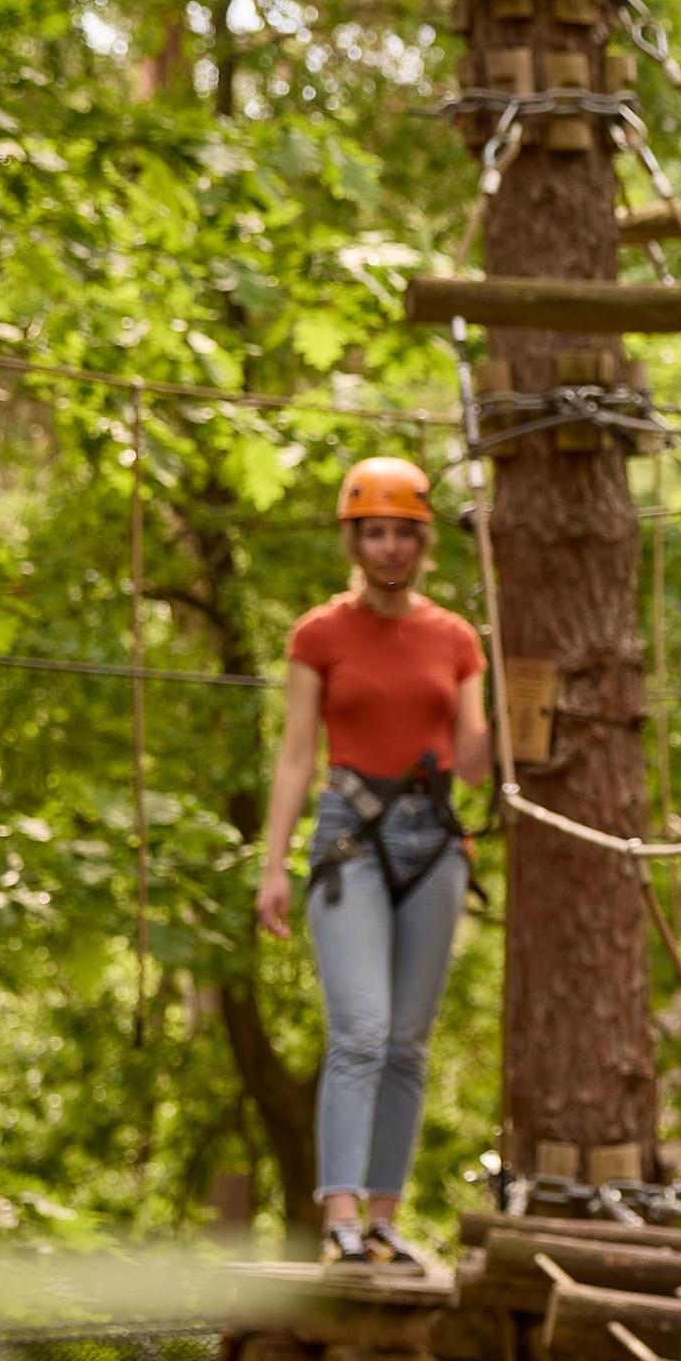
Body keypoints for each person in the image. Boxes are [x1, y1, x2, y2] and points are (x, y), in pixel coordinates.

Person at [257, 456, 492, 1273]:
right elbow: (295, 755)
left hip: (435, 840)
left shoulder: (456, 637)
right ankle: (342, 1218)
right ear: (354, 539)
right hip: (349, 837)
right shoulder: (318, 634)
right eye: (375, 531)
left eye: (403, 532)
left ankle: (387, 1217)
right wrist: (273, 864)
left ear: (424, 542)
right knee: (359, 1029)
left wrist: (507, 711)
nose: (390, 546)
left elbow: (473, 763)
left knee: (407, 1043)